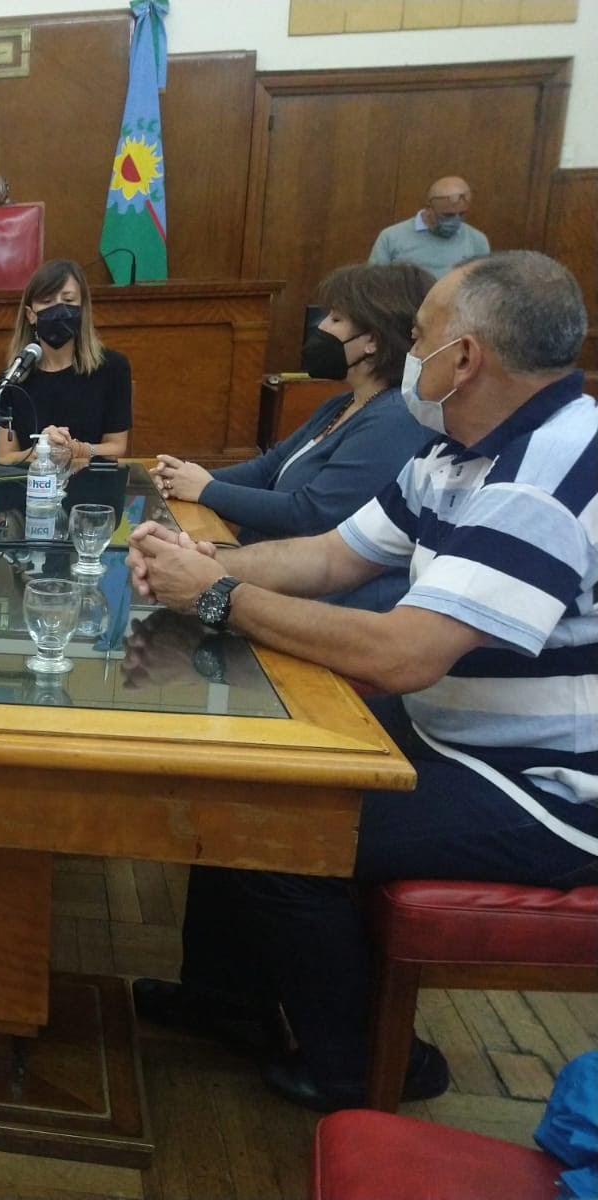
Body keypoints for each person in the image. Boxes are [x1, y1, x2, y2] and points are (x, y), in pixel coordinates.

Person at [126, 250, 598, 1112]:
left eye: (418, 339)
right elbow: (332, 556)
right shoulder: (462, 453)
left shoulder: (542, 479)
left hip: (547, 788)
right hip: (454, 732)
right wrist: (202, 558)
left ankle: (364, 1066)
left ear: (465, 358)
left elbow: (399, 654)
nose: (404, 354)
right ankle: (227, 999)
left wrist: (221, 596)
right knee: (240, 761)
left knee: (276, 820)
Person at [151, 262, 433, 611]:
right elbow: (268, 468)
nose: (321, 326)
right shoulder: (341, 404)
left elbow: (311, 513)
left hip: (318, 604)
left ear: (372, 340)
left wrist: (207, 489)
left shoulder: (393, 420)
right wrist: (179, 479)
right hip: (268, 580)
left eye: (335, 318)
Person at [0, 258, 131, 464]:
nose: (59, 310)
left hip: (92, 487)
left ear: (82, 309)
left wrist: (77, 449)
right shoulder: (12, 378)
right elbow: (5, 456)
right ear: (31, 315)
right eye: (47, 302)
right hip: (31, 488)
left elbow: (116, 447)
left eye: (68, 301)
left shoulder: (112, 368)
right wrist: (43, 449)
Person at [369, 175, 490, 274]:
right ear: (428, 209)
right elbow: (373, 284)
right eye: (448, 215)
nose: (456, 221)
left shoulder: (477, 240)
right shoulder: (391, 237)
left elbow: (482, 289)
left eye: (462, 214)